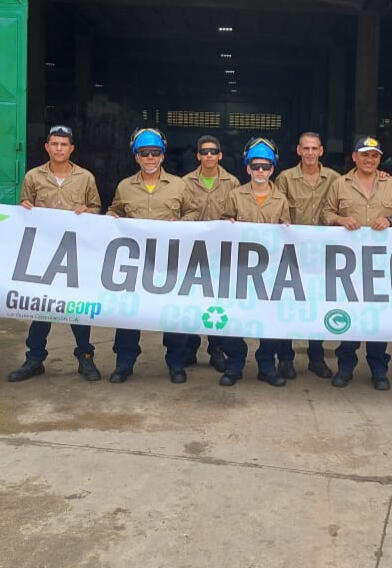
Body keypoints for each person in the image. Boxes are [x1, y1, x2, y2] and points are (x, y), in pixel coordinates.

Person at [7, 125, 102, 383]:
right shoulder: (33, 177)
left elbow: (96, 208)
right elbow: (23, 209)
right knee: (41, 307)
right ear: (47, 147)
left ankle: (85, 358)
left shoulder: (85, 178)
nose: (59, 148)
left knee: (77, 307)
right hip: (43, 255)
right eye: (54, 144)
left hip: (75, 254)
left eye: (64, 144)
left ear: (71, 148)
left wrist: (89, 211)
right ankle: (34, 359)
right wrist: (24, 208)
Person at [107, 128, 199, 384]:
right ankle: (124, 364)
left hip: (169, 261)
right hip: (135, 264)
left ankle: (176, 363)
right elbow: (113, 211)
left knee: (172, 314)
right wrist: (111, 218)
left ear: (162, 155)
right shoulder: (125, 187)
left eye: (155, 153)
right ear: (136, 156)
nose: (150, 157)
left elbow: (193, 213)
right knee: (128, 314)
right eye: (144, 153)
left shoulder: (179, 185)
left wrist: (179, 221)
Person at [321, 136, 392, 390]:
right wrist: (339, 220)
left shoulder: (391, 185)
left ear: (379, 159)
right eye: (364, 155)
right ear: (354, 157)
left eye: (374, 156)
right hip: (348, 267)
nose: (369, 160)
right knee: (349, 317)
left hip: (381, 266)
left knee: (377, 321)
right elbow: (325, 213)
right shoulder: (340, 184)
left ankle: (379, 370)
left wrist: (391, 221)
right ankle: (345, 368)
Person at [219, 137, 291, 387]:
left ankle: (266, 366)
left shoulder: (281, 199)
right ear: (248, 168)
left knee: (269, 319)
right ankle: (235, 364)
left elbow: (285, 232)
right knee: (234, 319)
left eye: (266, 167)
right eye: (256, 166)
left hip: (270, 271)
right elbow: (225, 224)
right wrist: (226, 224)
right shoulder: (235, 195)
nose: (261, 171)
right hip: (239, 269)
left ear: (273, 169)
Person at [275, 132, 341, 379]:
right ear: (298, 150)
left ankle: (317, 357)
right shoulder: (285, 179)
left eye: (315, 148)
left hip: (323, 254)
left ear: (321, 151)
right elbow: (276, 208)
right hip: (291, 253)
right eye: (306, 148)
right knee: (288, 306)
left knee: (317, 305)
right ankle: (285, 358)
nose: (310, 153)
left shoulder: (335, 179)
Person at [181, 134, 240, 373]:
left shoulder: (233, 183)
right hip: (191, 252)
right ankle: (190, 347)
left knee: (218, 302)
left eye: (213, 151)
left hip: (220, 254)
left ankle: (216, 349)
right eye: (204, 151)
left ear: (220, 155)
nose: (209, 156)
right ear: (198, 155)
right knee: (191, 301)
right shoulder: (184, 183)